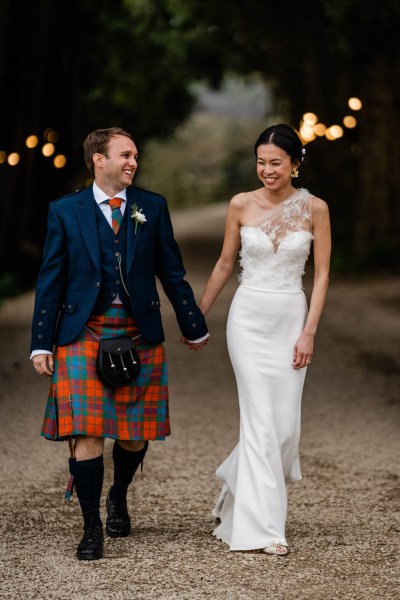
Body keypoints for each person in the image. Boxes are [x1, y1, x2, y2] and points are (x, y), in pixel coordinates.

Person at [30, 127, 209, 561]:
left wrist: (193, 323)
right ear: (99, 159)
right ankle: (92, 528)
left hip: (137, 330)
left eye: (135, 156)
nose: (133, 162)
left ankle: (119, 494)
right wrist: (41, 343)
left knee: (133, 435)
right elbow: (51, 279)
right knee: (87, 432)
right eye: (125, 155)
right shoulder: (65, 210)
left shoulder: (152, 206)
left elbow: (171, 271)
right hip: (81, 332)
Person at [197, 124, 331, 556]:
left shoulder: (316, 208)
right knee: (259, 422)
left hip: (291, 317)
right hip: (248, 321)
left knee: (285, 426)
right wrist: (197, 315)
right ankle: (265, 528)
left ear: (295, 163)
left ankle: (237, 484)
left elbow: (323, 274)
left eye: (276, 162)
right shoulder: (239, 204)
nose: (267, 170)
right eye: (261, 161)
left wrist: (308, 331)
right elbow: (222, 264)